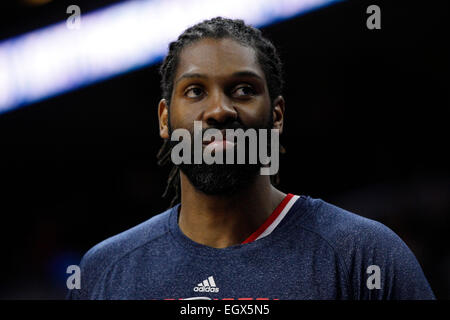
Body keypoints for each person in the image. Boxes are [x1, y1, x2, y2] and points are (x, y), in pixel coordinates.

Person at [67, 17, 435, 300]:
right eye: (195, 91)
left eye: (243, 89)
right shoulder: (105, 273)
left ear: (276, 116)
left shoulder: (363, 255)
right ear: (165, 119)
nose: (220, 110)